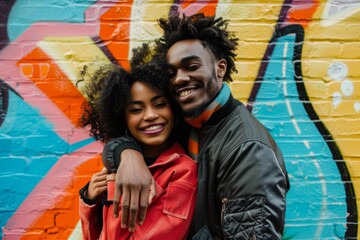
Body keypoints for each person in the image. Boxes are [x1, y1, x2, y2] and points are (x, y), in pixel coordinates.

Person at [105, 13, 290, 239]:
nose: (179, 79)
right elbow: (124, 135)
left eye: (191, 66)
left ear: (220, 68)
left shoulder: (248, 148)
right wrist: (128, 154)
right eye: (171, 73)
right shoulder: (190, 122)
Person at [78, 44, 198, 239]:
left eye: (159, 104)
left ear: (174, 112)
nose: (150, 115)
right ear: (123, 119)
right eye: (136, 109)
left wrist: (114, 188)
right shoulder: (118, 165)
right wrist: (89, 198)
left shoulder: (182, 171)